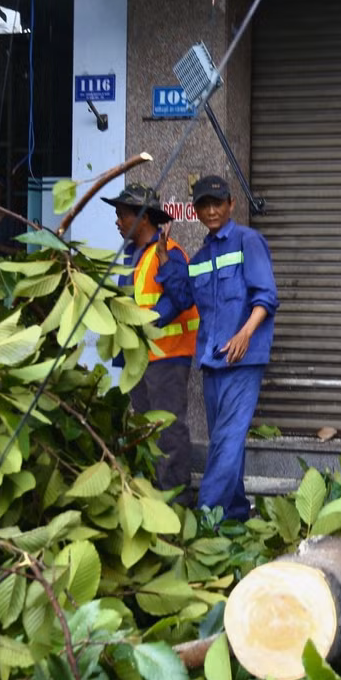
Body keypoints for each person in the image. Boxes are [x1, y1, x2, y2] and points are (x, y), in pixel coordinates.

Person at [154, 175, 278, 522]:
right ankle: (236, 512)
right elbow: (182, 298)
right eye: (204, 205)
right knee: (225, 441)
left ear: (231, 205)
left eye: (217, 204)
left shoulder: (248, 241)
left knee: (225, 440)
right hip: (212, 363)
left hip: (242, 360)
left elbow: (266, 296)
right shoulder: (200, 257)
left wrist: (245, 334)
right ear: (195, 211)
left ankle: (207, 518)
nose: (211, 211)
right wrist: (164, 258)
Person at [101, 183, 200, 502]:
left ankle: (177, 500)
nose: (117, 222)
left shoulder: (168, 252)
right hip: (139, 359)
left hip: (166, 359)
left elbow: (182, 298)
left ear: (143, 219)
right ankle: (156, 496)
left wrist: (142, 323)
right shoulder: (131, 255)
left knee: (167, 430)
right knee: (146, 431)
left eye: (122, 215)